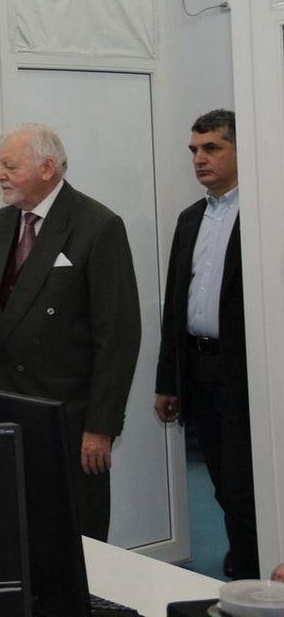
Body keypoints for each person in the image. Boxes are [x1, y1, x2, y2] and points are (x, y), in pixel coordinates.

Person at [0, 123, 140, 542]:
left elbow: (117, 336)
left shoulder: (97, 226)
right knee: (9, 534)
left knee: (73, 541)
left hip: (67, 421)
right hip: (4, 413)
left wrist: (100, 426)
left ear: (47, 168)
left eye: (10, 166)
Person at [154, 109, 258, 580]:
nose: (199, 158)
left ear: (240, 149)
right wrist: (168, 381)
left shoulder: (263, 212)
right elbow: (175, 305)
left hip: (246, 370)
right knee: (220, 480)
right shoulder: (190, 218)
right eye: (194, 150)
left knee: (243, 484)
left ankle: (253, 571)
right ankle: (246, 555)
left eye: (212, 148)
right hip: (199, 366)